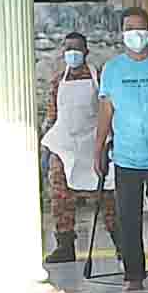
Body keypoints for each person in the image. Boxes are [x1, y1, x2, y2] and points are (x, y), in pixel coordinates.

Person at [97, 10, 148, 293]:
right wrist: (98, 148)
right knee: (128, 217)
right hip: (126, 156)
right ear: (122, 33)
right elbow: (105, 111)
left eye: (140, 28)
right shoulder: (113, 69)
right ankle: (133, 274)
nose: (135, 34)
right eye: (129, 29)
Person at [45, 31, 108, 275]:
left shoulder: (98, 78)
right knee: (60, 195)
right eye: (68, 48)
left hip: (94, 143)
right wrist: (47, 145)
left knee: (107, 195)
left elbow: (107, 109)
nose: (72, 53)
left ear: (86, 51)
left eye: (77, 49)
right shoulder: (57, 81)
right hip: (65, 146)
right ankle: (64, 244)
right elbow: (52, 115)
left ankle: (122, 243)